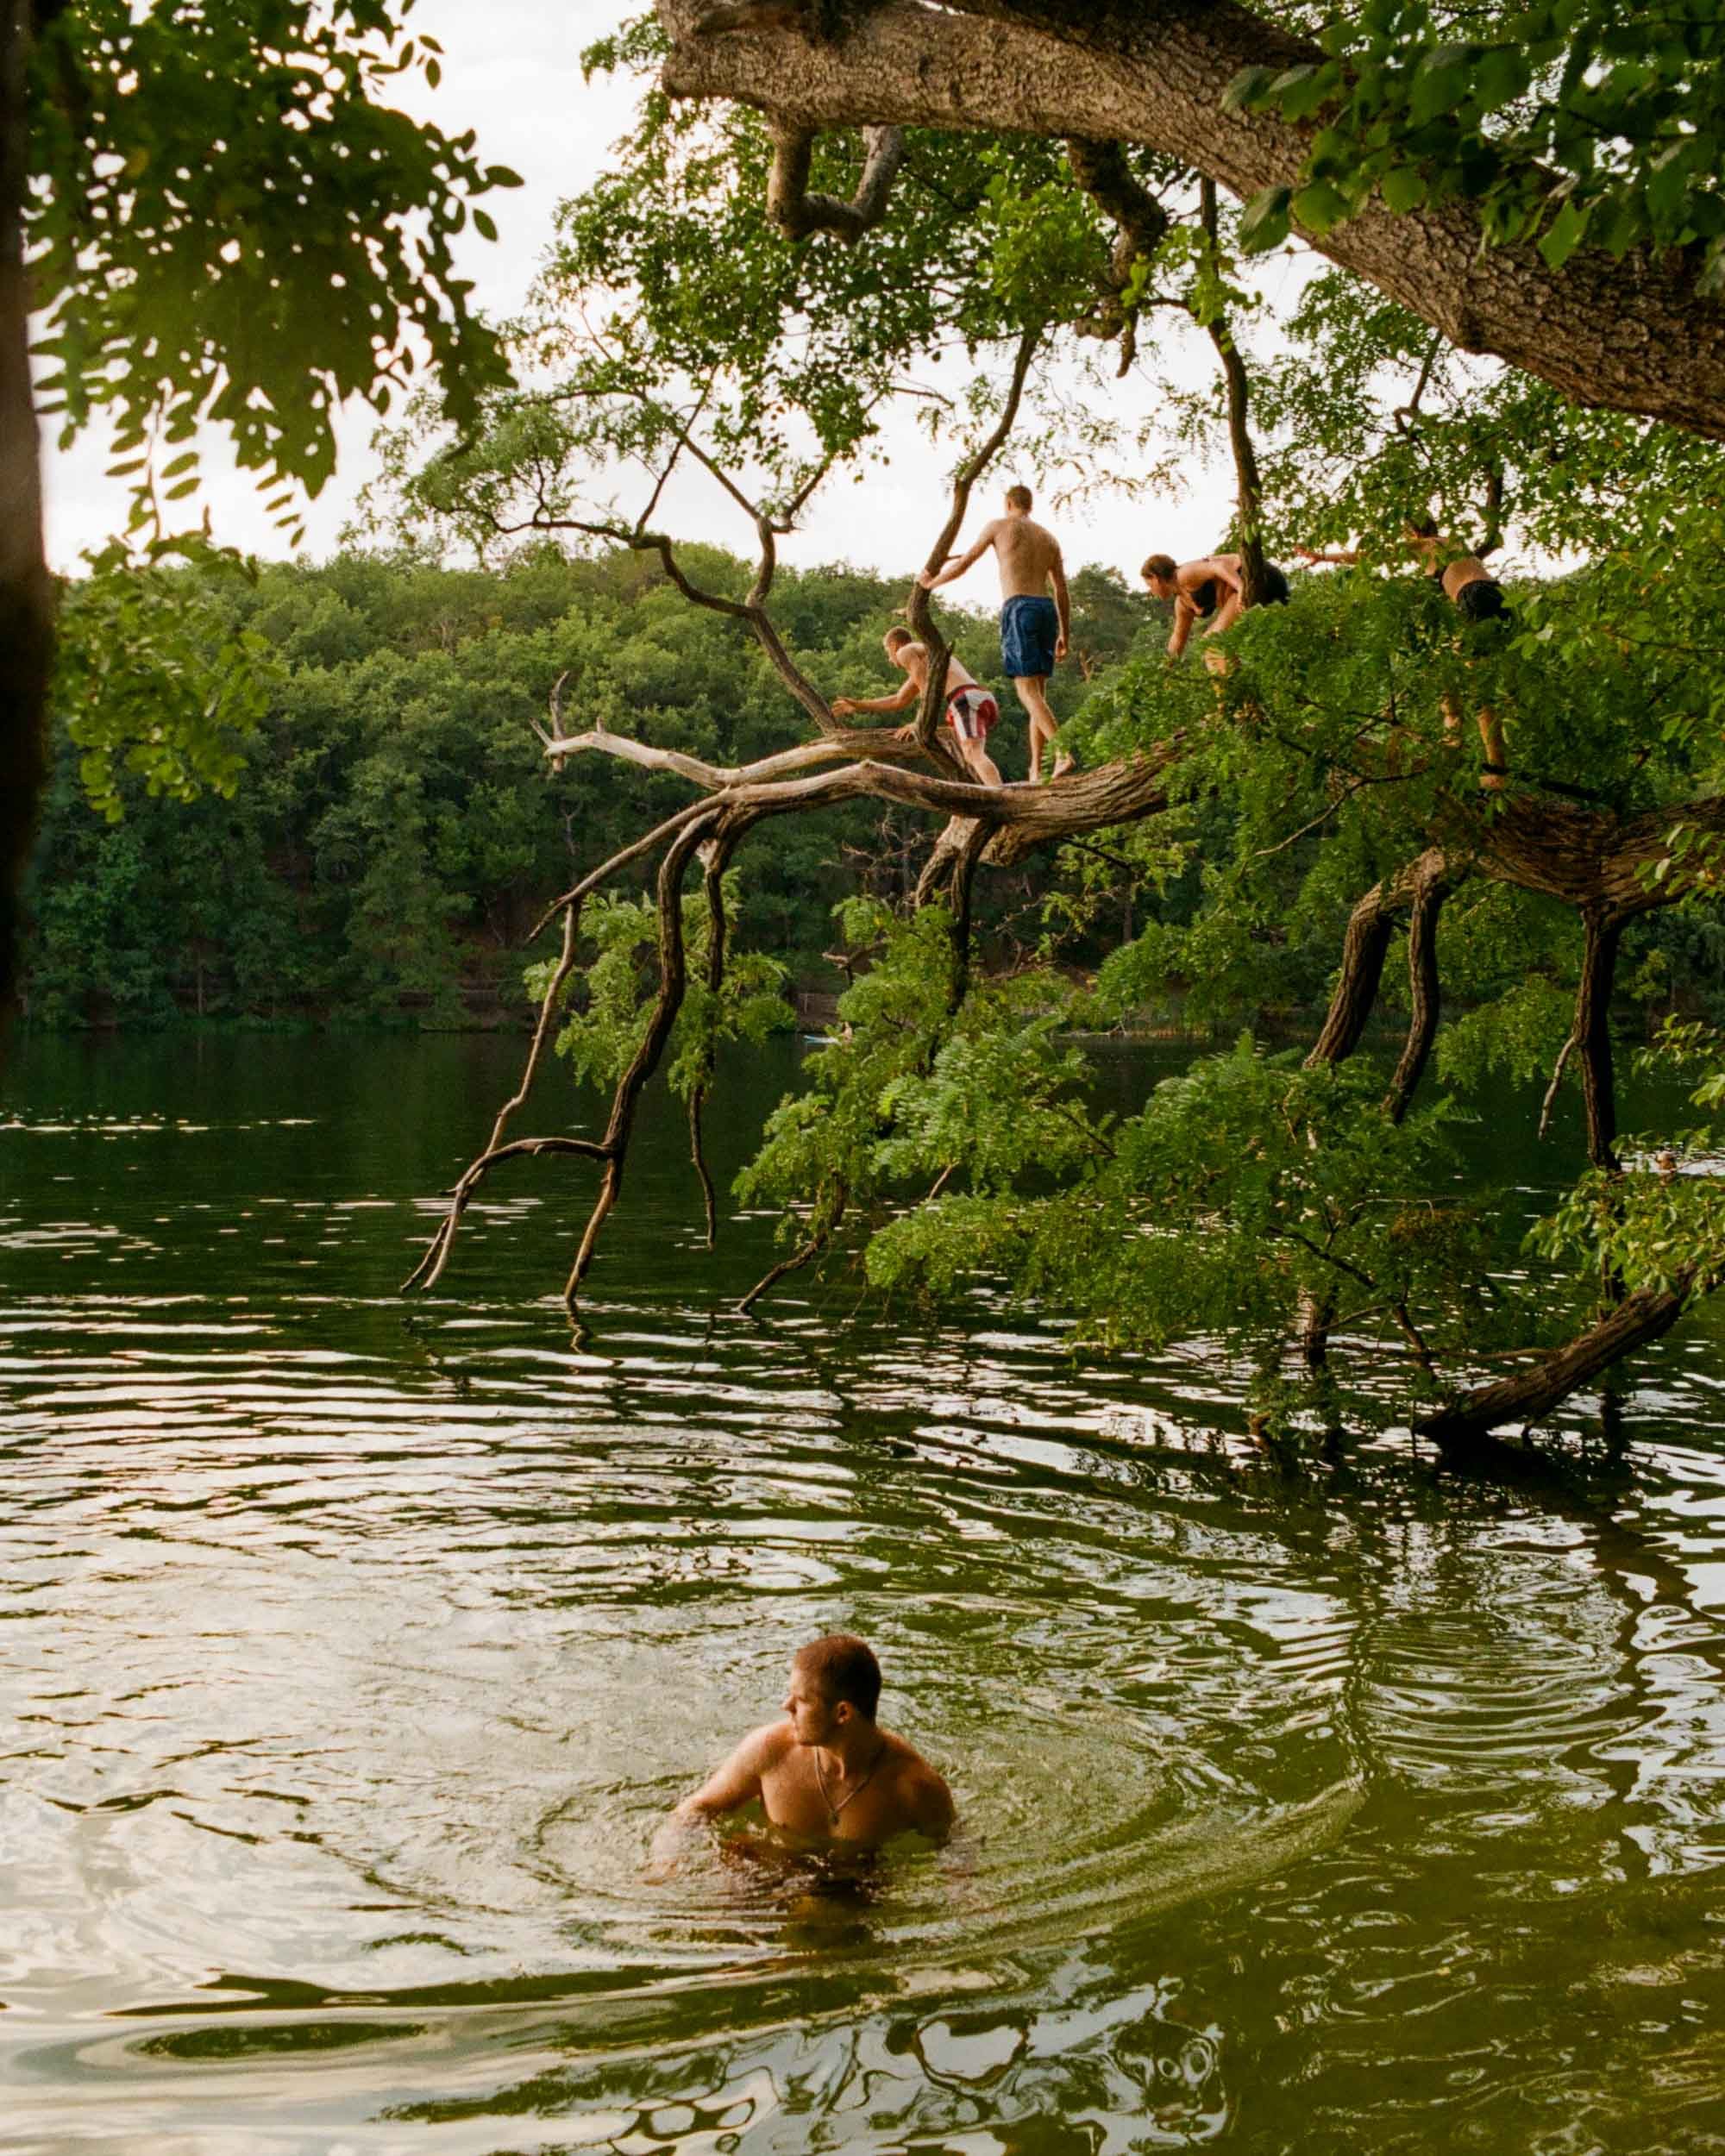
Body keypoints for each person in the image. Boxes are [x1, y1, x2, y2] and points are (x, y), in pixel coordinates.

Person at [650, 1634, 954, 1865]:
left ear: (843, 1713)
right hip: (769, 1869)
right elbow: (696, 1809)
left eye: (802, 1701)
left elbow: (955, 1846)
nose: (786, 1706)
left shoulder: (914, 1787)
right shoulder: (769, 1751)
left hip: (853, 1886)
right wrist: (667, 1863)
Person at [1295, 517, 1509, 784]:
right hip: (1498, 597)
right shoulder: (1454, 545)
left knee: (1479, 693)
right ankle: (1454, 746)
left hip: (1474, 597)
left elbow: (1370, 555)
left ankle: (1497, 772)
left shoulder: (1426, 545)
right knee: (1452, 676)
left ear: (1413, 532)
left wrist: (1324, 557)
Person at [917, 484, 1072, 781]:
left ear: (1008, 502)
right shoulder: (1048, 538)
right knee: (1037, 695)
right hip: (1046, 610)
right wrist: (1065, 632)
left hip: (1020, 607)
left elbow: (964, 564)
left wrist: (930, 583)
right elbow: (1061, 589)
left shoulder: (999, 526)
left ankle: (1063, 752)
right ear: (1030, 505)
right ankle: (1037, 771)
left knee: (1026, 691)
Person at [831, 627, 1004, 787]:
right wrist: (858, 706)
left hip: (964, 699)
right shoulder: (925, 658)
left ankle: (1001, 797)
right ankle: (979, 802)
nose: (889, 659)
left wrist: (918, 724)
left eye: (887, 652)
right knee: (968, 757)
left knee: (973, 754)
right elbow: (899, 700)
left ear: (893, 645)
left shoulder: (905, 651)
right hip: (979, 698)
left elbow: (927, 691)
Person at [1139, 550, 1291, 669]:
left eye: (1149, 585)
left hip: (1258, 577)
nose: (1151, 591)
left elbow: (1218, 566)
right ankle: (1244, 701)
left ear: (1155, 577)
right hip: (1247, 590)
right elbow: (1178, 638)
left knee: (1212, 642)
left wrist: (1240, 588)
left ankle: (1229, 702)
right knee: (1223, 648)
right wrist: (1166, 668)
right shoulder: (1182, 604)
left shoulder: (1184, 574)